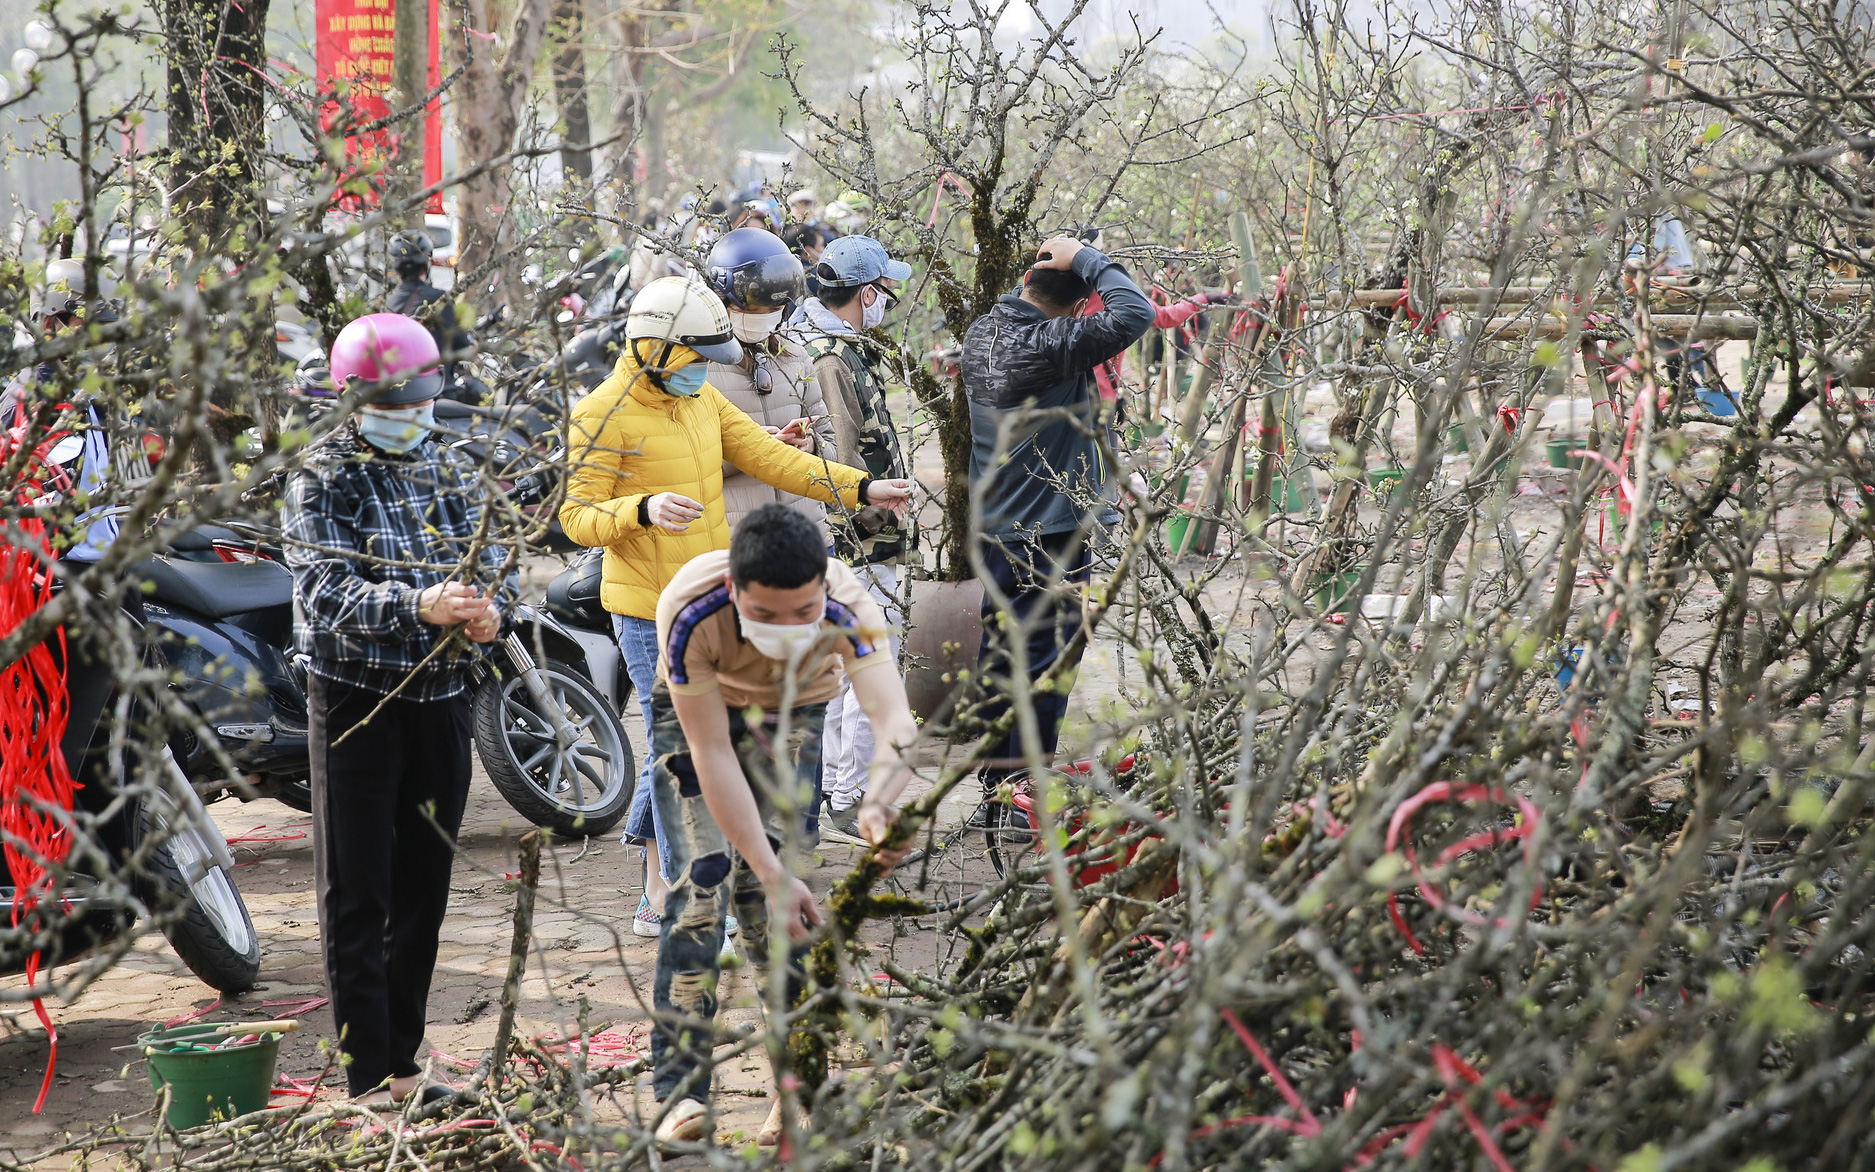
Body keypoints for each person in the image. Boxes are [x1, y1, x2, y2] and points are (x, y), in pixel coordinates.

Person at [558, 277, 912, 940]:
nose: (704, 373)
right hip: (645, 607)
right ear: (655, 349)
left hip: (715, 598)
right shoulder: (599, 414)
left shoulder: (702, 402)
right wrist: (640, 510)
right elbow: (575, 517)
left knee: (699, 745)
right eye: (695, 360)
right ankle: (675, 893)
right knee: (681, 748)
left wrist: (861, 488)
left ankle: (666, 880)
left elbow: (771, 457)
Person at [283, 312, 510, 1110]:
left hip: (442, 699)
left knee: (424, 889)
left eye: (421, 402)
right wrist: (418, 603)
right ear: (351, 400)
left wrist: (489, 611)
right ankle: (366, 1079)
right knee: (358, 892)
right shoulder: (321, 476)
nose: (412, 416)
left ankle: (405, 1062)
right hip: (354, 702)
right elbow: (323, 595)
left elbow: (493, 561)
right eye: (395, 404)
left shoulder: (446, 463)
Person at [644, 503, 918, 1147]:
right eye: (765, 615)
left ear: (822, 589)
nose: (787, 627)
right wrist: (764, 871)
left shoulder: (851, 608)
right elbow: (712, 754)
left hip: (796, 711)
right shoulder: (689, 609)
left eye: (803, 613)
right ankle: (679, 1096)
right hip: (701, 714)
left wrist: (877, 804)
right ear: (735, 592)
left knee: (779, 911)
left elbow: (896, 725)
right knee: (699, 888)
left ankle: (794, 1090)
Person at [959, 235, 1153, 809]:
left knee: (1001, 657)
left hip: (995, 526)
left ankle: (998, 788)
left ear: (1024, 285)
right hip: (1048, 530)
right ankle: (1027, 794)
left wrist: (1054, 263)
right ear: (1075, 309)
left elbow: (1032, 296)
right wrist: (1087, 261)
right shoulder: (1054, 344)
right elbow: (1135, 311)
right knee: (1047, 661)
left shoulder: (981, 333)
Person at [796, 235, 916, 838]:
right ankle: (850, 794)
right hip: (859, 541)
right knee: (863, 667)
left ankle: (847, 790)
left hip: (867, 535)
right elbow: (843, 461)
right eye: (884, 291)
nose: (889, 301)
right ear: (865, 293)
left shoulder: (844, 348)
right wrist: (876, 518)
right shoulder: (830, 359)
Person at [703, 227, 835, 533]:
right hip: (739, 544)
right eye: (752, 307)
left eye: (775, 308)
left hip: (808, 535)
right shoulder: (698, 369)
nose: (766, 316)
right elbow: (683, 467)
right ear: (722, 300)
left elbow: (834, 448)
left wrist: (812, 446)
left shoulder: (795, 358)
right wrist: (754, 451)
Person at [385, 231, 481, 403]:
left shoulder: (386, 304)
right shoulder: (441, 300)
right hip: (439, 394)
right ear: (427, 264)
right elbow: (462, 347)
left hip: (396, 398)